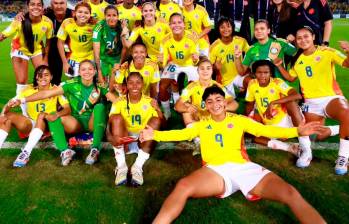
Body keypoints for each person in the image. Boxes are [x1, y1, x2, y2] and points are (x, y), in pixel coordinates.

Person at [140, 85, 326, 224]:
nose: (215, 104)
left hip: (244, 168)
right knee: (183, 186)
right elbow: (180, 134)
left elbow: (265, 131)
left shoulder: (239, 120)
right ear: (205, 105)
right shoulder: (202, 125)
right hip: (215, 172)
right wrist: (154, 134)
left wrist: (297, 132)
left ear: (225, 102)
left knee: (290, 193)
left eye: (219, 99)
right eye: (210, 101)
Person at [12, 60, 115, 166]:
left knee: (100, 107)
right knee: (53, 115)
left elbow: (115, 101)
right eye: (83, 69)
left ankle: (95, 150)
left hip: (92, 123)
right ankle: (65, 151)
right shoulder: (71, 84)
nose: (87, 72)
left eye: (90, 69)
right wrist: (23, 100)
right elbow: (46, 94)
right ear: (79, 72)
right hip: (75, 123)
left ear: (94, 71)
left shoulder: (100, 87)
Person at [278, 27, 349, 175]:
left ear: (313, 37)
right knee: (315, 136)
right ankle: (307, 153)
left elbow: (347, 64)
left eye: (306, 36)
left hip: (331, 98)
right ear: (296, 42)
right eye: (299, 38)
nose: (303, 40)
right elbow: (291, 78)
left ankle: (343, 157)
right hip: (310, 103)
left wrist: (348, 51)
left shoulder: (327, 52)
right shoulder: (298, 61)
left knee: (347, 114)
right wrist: (278, 64)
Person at [245, 60, 313, 167]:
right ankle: (291, 149)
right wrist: (247, 121)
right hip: (271, 124)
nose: (262, 75)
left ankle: (306, 150)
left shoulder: (277, 82)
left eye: (266, 72)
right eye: (259, 72)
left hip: (287, 119)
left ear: (270, 73)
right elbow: (249, 103)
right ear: (254, 73)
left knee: (291, 103)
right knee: (255, 137)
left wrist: (273, 102)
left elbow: (297, 95)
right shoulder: (252, 84)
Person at [0, 65, 70, 167]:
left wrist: (56, 115)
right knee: (6, 117)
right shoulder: (28, 89)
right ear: (36, 77)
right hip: (32, 123)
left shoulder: (56, 89)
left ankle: (25, 153)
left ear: (51, 76)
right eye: (40, 75)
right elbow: (11, 103)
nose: (43, 78)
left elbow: (67, 109)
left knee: (41, 116)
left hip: (48, 123)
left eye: (46, 75)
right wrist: (5, 110)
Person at [108, 72, 163, 186]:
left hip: (142, 141)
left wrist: (158, 109)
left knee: (156, 120)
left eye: (138, 82)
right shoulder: (119, 101)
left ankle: (137, 167)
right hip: (125, 140)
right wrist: (110, 138)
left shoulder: (149, 101)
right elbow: (109, 124)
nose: (134, 86)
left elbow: (161, 124)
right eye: (131, 83)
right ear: (126, 85)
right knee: (116, 118)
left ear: (142, 84)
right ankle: (121, 166)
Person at [0, 0, 54, 116]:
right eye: (32, 4)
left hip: (36, 50)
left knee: (44, 77)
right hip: (20, 50)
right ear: (28, 7)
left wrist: (45, 58)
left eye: (39, 4)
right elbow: (3, 35)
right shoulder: (19, 21)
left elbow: (49, 40)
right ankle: (26, 114)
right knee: (22, 81)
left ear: (42, 7)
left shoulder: (47, 22)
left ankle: (45, 107)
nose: (36, 7)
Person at [174, 58, 238, 154]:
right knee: (186, 108)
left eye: (208, 68)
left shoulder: (217, 86)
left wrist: (220, 108)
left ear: (212, 71)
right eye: (202, 68)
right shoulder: (192, 87)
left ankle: (217, 135)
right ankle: (198, 141)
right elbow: (177, 106)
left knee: (227, 110)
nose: (205, 71)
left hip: (213, 118)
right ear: (198, 71)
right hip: (197, 118)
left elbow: (234, 104)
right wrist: (188, 107)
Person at [159, 13, 200, 119]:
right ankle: (167, 113)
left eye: (179, 22)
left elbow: (195, 59)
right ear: (169, 25)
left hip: (189, 65)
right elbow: (163, 62)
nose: (176, 25)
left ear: (184, 24)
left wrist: (195, 59)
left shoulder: (192, 38)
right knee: (162, 86)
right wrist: (162, 63)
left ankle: (194, 110)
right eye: (173, 23)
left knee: (195, 87)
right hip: (174, 65)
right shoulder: (165, 40)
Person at [235, 19, 297, 84]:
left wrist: (292, 72)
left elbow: (298, 54)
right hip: (262, 88)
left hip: (279, 86)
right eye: (256, 29)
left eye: (262, 28)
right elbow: (241, 72)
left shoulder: (280, 43)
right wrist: (237, 58)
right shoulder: (251, 49)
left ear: (268, 30)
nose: (259, 31)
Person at [209, 17, 250, 98]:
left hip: (240, 75)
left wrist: (249, 69)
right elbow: (209, 67)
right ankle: (238, 91)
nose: (226, 29)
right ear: (218, 29)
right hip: (226, 81)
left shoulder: (241, 41)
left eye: (228, 26)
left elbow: (251, 55)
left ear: (232, 27)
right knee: (226, 103)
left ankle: (250, 99)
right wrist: (215, 67)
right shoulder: (214, 46)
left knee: (251, 81)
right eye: (222, 27)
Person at [57, 2, 96, 77]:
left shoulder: (94, 25)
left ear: (90, 14)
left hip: (90, 58)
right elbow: (60, 43)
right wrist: (65, 62)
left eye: (86, 13)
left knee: (89, 83)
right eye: (80, 12)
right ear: (74, 13)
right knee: (74, 85)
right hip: (73, 58)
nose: (83, 15)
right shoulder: (67, 23)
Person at [93, 5, 125, 86]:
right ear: (105, 16)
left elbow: (126, 48)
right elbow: (96, 52)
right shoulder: (99, 27)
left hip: (117, 59)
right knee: (102, 85)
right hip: (103, 59)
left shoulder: (122, 26)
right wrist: (99, 71)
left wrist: (120, 62)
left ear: (118, 16)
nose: (111, 18)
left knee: (116, 85)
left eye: (114, 15)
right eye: (108, 15)